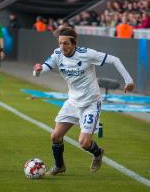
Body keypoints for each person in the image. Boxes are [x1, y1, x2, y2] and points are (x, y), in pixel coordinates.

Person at [33, 26, 135, 175]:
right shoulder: (57, 55)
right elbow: (41, 71)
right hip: (72, 102)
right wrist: (37, 70)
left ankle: (98, 153)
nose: (62, 47)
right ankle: (59, 166)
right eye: (60, 43)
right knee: (55, 136)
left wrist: (129, 80)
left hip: (91, 103)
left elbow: (115, 59)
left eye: (66, 43)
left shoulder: (87, 54)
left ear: (74, 43)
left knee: (84, 142)